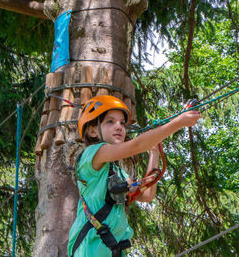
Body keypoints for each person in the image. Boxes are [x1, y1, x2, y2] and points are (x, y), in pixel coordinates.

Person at [67, 95, 201, 257]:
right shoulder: (91, 155)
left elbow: (146, 195)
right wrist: (178, 122)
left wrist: (154, 153)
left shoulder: (115, 172)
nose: (119, 127)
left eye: (122, 123)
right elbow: (136, 145)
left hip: (110, 248)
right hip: (90, 248)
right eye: (110, 121)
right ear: (93, 130)